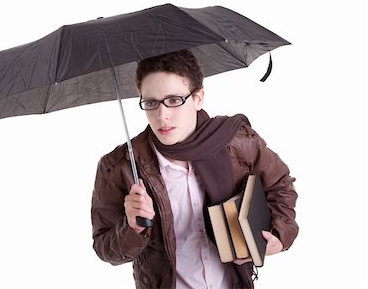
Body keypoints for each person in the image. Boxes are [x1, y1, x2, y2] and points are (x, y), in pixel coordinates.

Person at [91, 49, 298, 289]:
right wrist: (133, 227)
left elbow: (280, 183)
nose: (162, 115)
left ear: (198, 98)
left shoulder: (236, 140)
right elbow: (105, 248)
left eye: (174, 100)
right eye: (151, 103)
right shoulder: (120, 166)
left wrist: (279, 236)